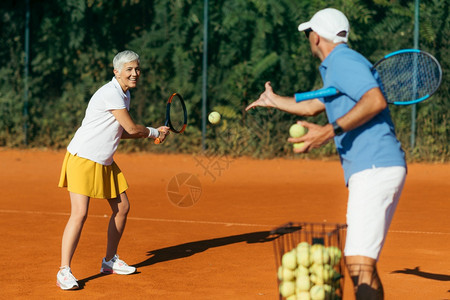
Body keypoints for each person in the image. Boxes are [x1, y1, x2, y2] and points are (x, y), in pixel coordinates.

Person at [246, 8, 406, 300]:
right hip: (376, 167)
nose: (309, 39)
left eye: (309, 34)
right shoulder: (339, 67)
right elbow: (311, 104)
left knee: (358, 263)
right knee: (362, 263)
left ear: (316, 37)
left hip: (373, 167)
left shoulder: (342, 62)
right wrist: (274, 100)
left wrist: (326, 132)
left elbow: (374, 100)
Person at [56, 50, 170, 290]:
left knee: (123, 207)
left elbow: (122, 132)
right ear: (116, 71)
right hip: (84, 157)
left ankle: (109, 261)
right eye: (129, 69)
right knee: (80, 213)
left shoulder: (123, 94)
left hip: (104, 160)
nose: (134, 73)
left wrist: (150, 133)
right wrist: (152, 132)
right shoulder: (111, 93)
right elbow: (130, 126)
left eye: (137, 69)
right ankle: (64, 271)